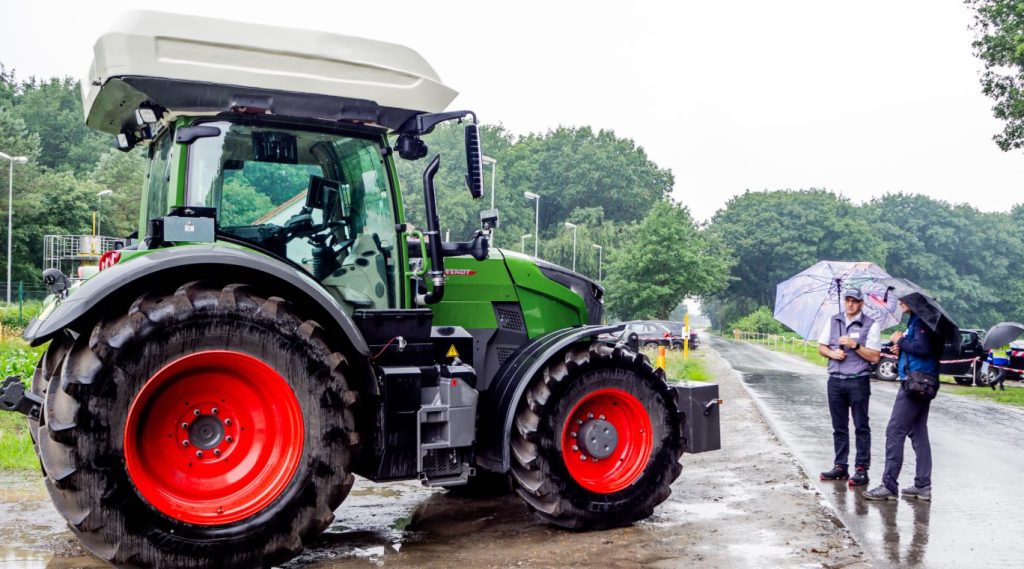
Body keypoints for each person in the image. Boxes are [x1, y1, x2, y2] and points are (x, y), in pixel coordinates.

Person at [865, 299, 943, 501]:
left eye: (904, 299)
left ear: (915, 302)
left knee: (894, 431)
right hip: (923, 382)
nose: (900, 302)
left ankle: (889, 485)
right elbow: (920, 349)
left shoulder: (921, 323)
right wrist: (902, 350)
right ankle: (923, 485)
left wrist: (900, 340)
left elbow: (924, 348)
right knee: (918, 433)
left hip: (915, 384)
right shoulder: (920, 321)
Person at [817, 288, 882, 487]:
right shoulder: (833, 320)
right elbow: (821, 347)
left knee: (861, 425)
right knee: (839, 426)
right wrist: (832, 354)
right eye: (848, 300)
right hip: (835, 380)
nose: (850, 304)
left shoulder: (871, 325)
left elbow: (874, 356)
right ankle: (840, 466)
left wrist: (854, 345)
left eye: (855, 301)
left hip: (858, 380)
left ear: (861, 303)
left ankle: (861, 468)